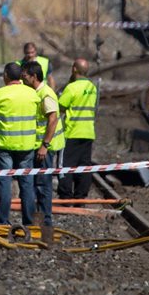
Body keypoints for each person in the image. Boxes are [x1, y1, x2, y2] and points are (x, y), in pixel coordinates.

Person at [0, 62, 39, 226]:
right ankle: (29, 220)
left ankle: (3, 220)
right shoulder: (32, 94)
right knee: (27, 185)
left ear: (5, 75)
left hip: (5, 146)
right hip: (26, 146)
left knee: (4, 184)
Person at [21, 61, 63, 224]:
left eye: (25, 76)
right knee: (34, 184)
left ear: (34, 77)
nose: (23, 79)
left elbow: (52, 119)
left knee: (43, 185)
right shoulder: (35, 92)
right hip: (38, 145)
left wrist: (44, 145)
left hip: (44, 147)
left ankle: (46, 223)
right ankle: (36, 221)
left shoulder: (45, 93)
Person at [57, 58, 98, 200]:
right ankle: (81, 196)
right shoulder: (92, 87)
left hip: (72, 132)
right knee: (84, 166)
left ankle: (66, 196)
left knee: (66, 166)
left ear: (74, 69)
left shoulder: (71, 88)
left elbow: (60, 106)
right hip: (88, 132)